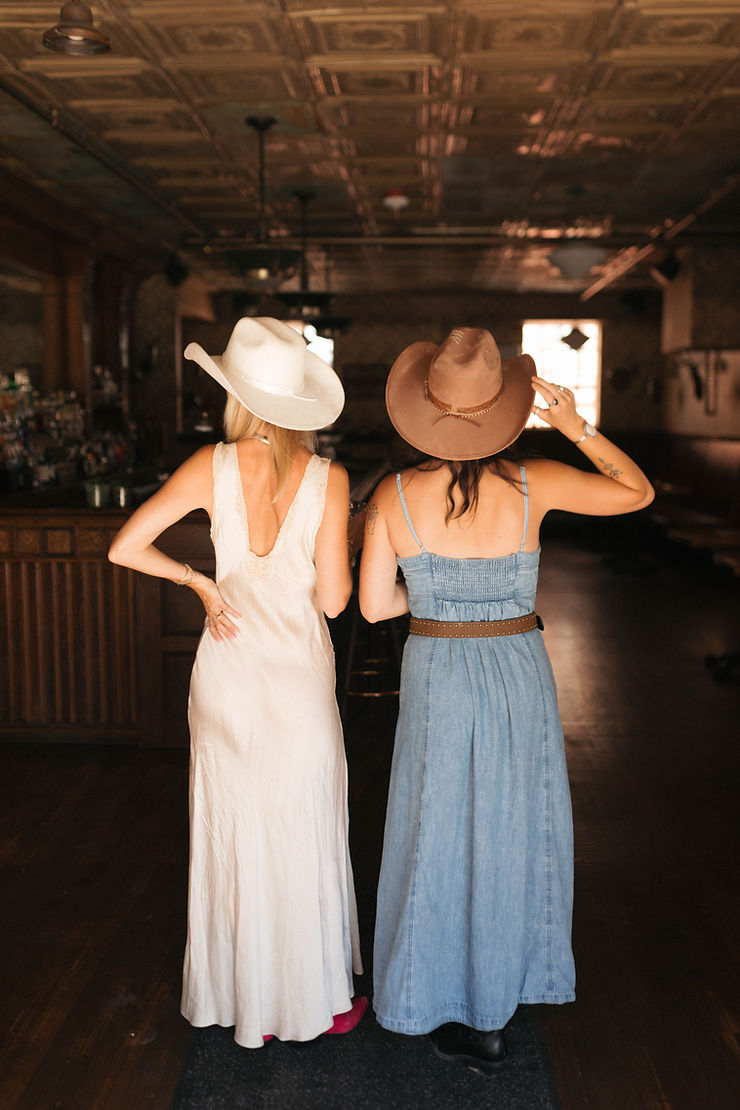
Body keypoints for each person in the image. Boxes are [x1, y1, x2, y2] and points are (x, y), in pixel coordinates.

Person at [359, 326, 653, 1073]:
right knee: (511, 828)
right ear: (506, 412)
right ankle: (495, 1011)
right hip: (518, 664)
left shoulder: (391, 495)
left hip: (438, 669)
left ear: (425, 412)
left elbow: (371, 609)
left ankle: (428, 999)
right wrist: (575, 426)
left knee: (433, 829)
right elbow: (638, 492)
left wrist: (430, 589)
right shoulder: (535, 482)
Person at [109, 317, 366, 1048]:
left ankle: (237, 995)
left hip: (227, 672)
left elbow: (125, 547)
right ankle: (306, 997)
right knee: (303, 830)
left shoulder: (207, 465)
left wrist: (197, 581)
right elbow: (336, 602)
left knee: (234, 831)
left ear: (235, 395)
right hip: (298, 682)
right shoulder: (331, 478)